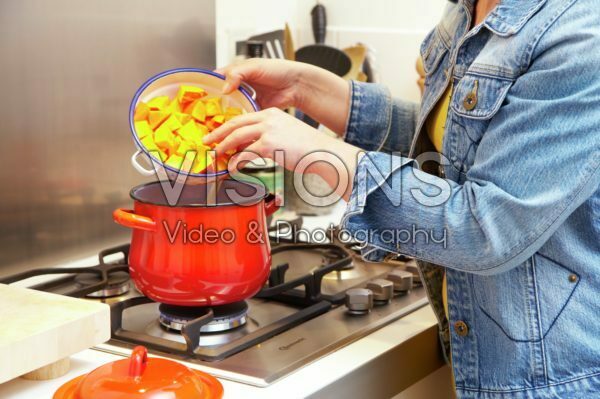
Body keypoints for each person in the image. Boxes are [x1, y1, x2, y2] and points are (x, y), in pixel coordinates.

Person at [202, 0, 600, 397]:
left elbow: (488, 230)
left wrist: (319, 153)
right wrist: (307, 89)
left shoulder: (581, 34)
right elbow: (456, 150)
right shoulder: (468, 7)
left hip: (554, 380)